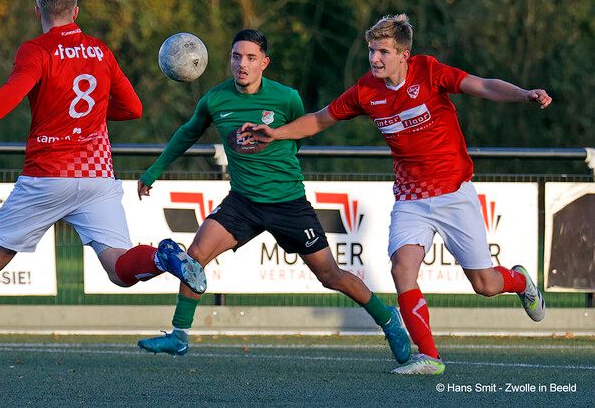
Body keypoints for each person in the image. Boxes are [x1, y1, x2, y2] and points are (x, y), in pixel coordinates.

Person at [0, 0, 206, 370]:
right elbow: (134, 109)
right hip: (96, 176)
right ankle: (163, 259)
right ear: (76, 11)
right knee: (119, 267)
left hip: (48, 175)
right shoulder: (101, 51)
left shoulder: (36, 50)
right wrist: (91, 115)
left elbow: (12, 92)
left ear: (37, 10)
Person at [242, 14, 550, 375]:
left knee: (485, 284)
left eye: (383, 52)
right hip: (410, 198)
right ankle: (430, 357)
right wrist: (276, 133)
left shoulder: (429, 71)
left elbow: (481, 86)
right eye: (371, 51)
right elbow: (321, 119)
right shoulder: (366, 90)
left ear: (404, 54)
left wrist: (523, 94)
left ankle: (519, 281)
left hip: (454, 192)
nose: (375, 59)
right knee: (402, 269)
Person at [136, 29, 411, 364]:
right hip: (242, 203)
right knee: (194, 258)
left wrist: (270, 151)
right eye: (237, 56)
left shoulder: (286, 98)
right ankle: (178, 336)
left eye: (251, 58)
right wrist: (152, 171)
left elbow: (299, 133)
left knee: (330, 276)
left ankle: (388, 319)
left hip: (288, 203)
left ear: (264, 63)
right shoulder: (215, 99)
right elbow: (185, 134)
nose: (242, 64)